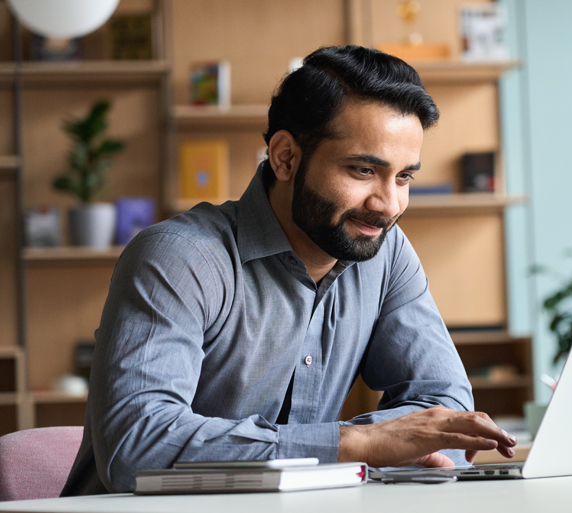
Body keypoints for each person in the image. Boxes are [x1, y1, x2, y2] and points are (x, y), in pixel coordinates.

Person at [61, 45, 516, 495]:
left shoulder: (386, 253)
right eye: (362, 170)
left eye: (403, 177)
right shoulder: (178, 258)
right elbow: (137, 448)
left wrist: (382, 444)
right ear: (285, 158)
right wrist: (356, 444)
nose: (388, 205)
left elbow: (447, 407)